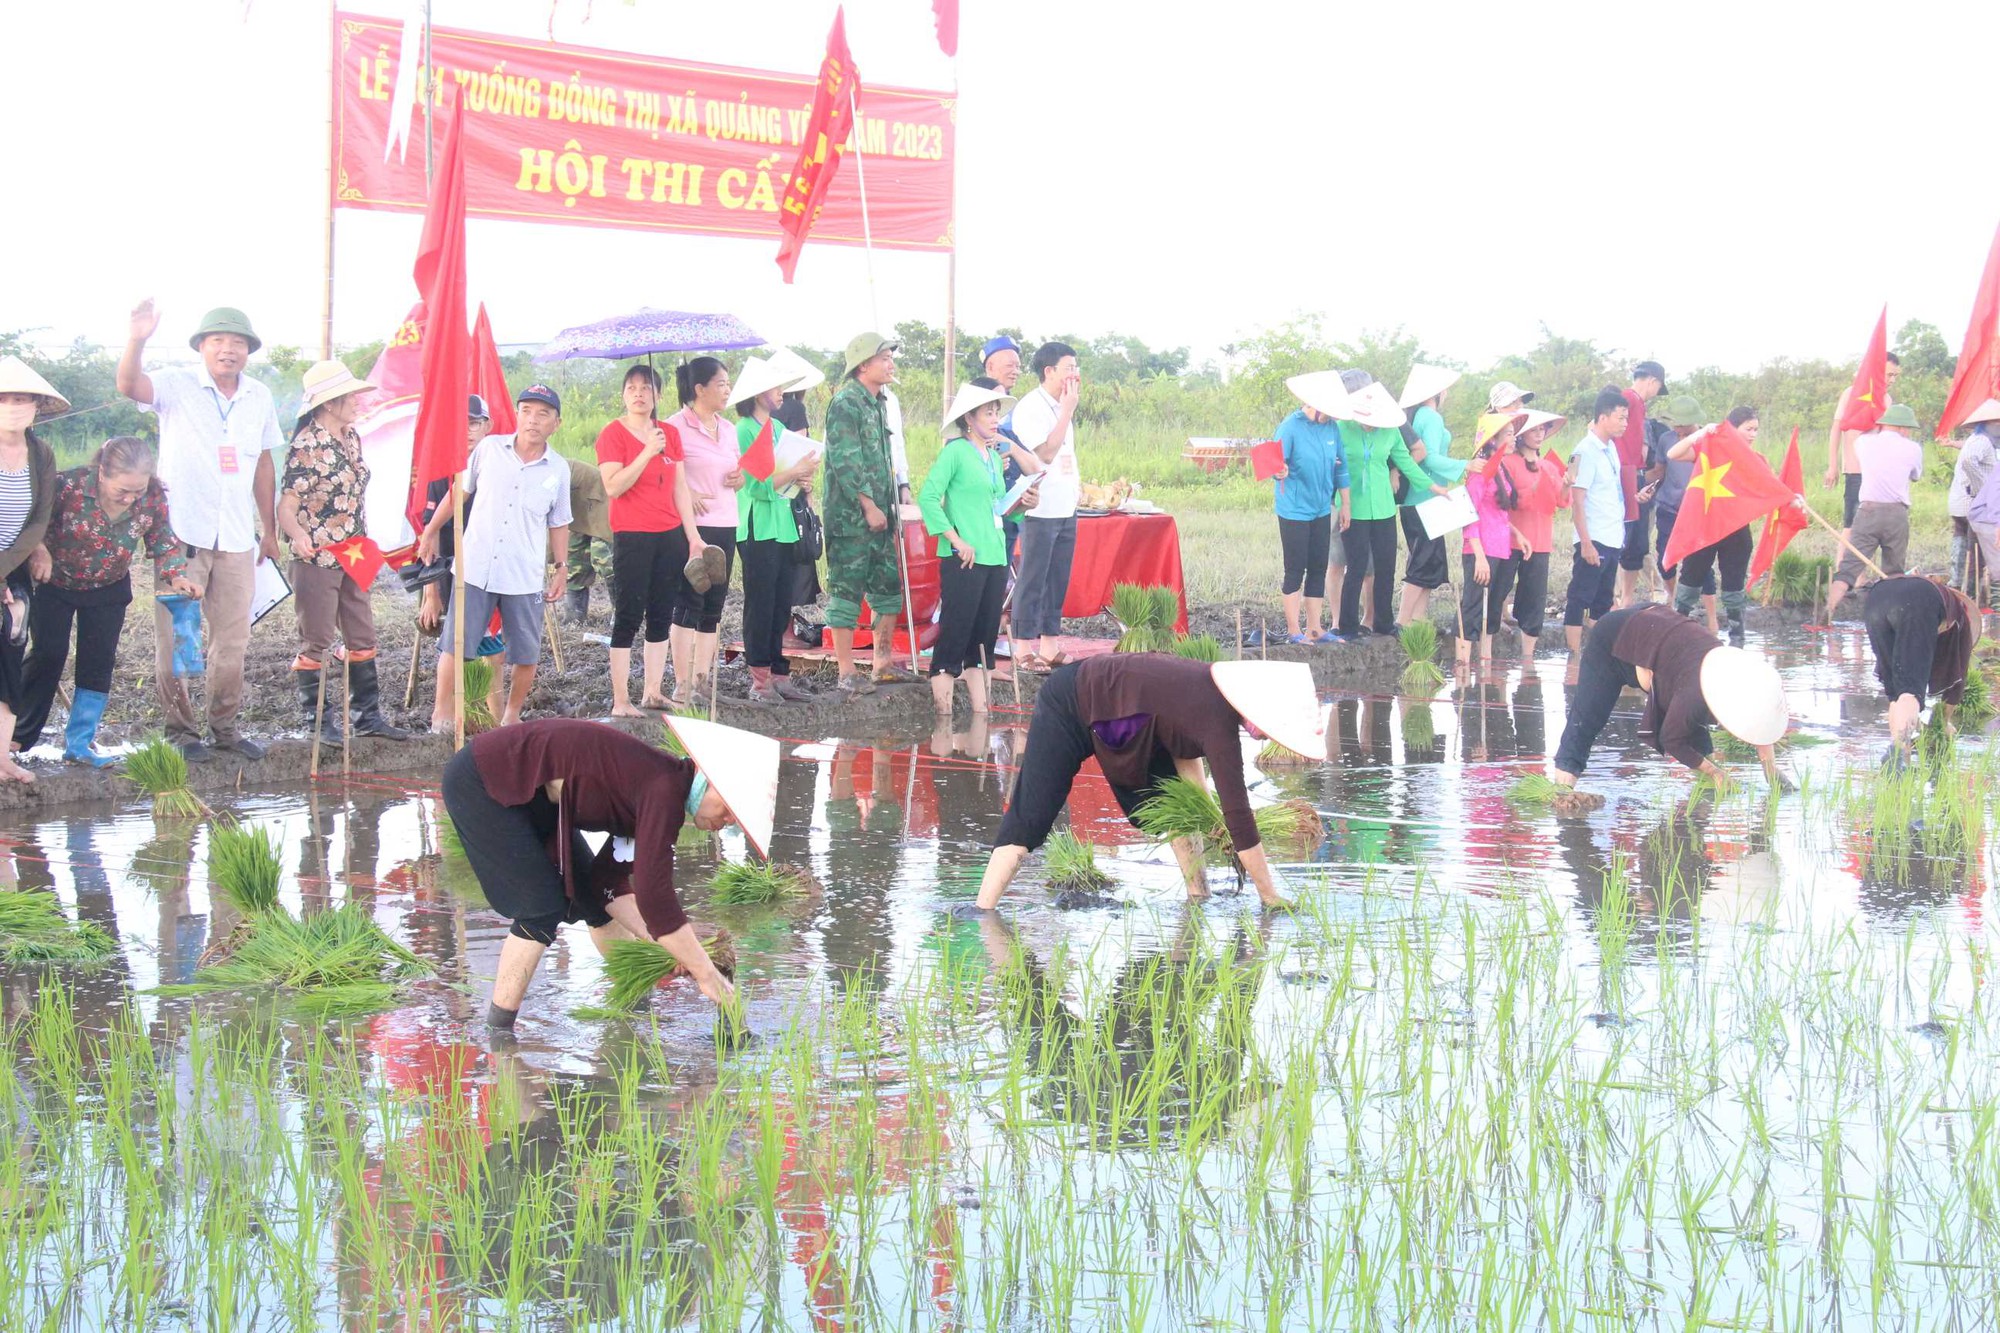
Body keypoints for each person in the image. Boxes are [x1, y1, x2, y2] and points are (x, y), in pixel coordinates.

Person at [442, 715, 775, 1026]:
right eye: (730, 811)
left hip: (537, 799)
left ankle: (636, 1008)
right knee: (540, 908)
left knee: (591, 897)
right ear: (712, 783)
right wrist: (706, 974)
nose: (727, 822)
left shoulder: (661, 786)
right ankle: (500, 1033)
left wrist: (669, 945)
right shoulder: (663, 792)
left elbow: (607, 882)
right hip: (485, 781)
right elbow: (654, 896)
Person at [973, 658, 1322, 911]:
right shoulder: (1219, 723)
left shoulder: (1214, 697)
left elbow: (1186, 760)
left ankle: (1198, 896)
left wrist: (1208, 818)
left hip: (1126, 718)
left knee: (1177, 811)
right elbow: (1241, 819)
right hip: (1071, 701)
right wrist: (1270, 897)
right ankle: (983, 912)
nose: (1266, 736)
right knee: (1031, 819)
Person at [117, 300, 281, 762]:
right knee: (176, 639)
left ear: (248, 350)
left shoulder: (259, 397)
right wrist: (138, 337)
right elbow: (129, 383)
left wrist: (267, 530)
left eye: (237, 343)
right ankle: (180, 732)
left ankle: (225, 728)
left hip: (235, 539)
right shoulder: (176, 384)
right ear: (202, 348)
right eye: (218, 341)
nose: (228, 350)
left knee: (232, 640)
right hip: (180, 539)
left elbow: (263, 462)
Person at [17, 436, 200, 765]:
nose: (131, 499)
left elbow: (162, 538)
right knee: (48, 653)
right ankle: (18, 738)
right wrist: (38, 549)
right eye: (123, 491)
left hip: (109, 587)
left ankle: (79, 745)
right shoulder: (67, 486)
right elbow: (33, 520)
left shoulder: (153, 497)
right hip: (54, 582)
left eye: (138, 491)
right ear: (102, 473)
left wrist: (177, 576)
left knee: (98, 663)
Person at [420, 384, 572, 728]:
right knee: (455, 645)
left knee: (526, 653)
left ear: (556, 423)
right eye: (526, 411)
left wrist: (561, 568)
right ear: (517, 414)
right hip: (476, 567)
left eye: (542, 414)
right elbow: (459, 493)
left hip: (524, 574)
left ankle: (510, 716)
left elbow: (559, 522)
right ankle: (441, 715)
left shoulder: (558, 470)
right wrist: (430, 532)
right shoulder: (489, 449)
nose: (533, 420)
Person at [278, 359, 411, 744]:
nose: (357, 401)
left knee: (363, 633)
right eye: (349, 395)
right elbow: (286, 504)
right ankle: (318, 724)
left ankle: (367, 717)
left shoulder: (351, 436)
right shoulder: (306, 446)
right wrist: (298, 535)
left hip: (355, 551)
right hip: (317, 556)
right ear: (328, 402)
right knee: (316, 638)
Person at [1552, 605, 1788, 793]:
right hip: (1614, 637)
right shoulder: (1697, 692)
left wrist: (1770, 768)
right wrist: (1716, 773)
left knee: (1695, 730)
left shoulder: (1736, 681)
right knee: (1586, 720)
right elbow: (1671, 739)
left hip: (1658, 628)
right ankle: (1560, 793)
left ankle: (1704, 801)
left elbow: (1760, 715)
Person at [920, 379, 1036, 717]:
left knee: (984, 637)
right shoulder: (955, 451)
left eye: (997, 411)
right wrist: (955, 540)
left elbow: (998, 507)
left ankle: (980, 714)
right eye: (988, 412)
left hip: (994, 553)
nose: (995, 418)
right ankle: (942, 715)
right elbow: (929, 497)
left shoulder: (994, 457)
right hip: (964, 557)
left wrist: (1024, 504)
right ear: (969, 418)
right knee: (956, 630)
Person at [594, 364, 698, 716]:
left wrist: (693, 536)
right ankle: (620, 698)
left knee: (661, 612)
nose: (639, 393)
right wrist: (646, 452)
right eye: (632, 388)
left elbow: (680, 487)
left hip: (669, 535)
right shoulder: (613, 434)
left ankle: (653, 690)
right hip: (632, 534)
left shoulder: (669, 432)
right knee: (627, 614)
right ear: (623, 395)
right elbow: (613, 485)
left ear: (657, 395)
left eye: (647, 388)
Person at [823, 333, 910, 695]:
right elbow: (846, 461)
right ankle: (846, 672)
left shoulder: (879, 402)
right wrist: (869, 505)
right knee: (846, 591)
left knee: (888, 587)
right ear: (863, 365)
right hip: (851, 518)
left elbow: (884, 459)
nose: (891, 364)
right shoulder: (846, 403)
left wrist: (894, 500)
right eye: (884, 358)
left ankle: (882, 663)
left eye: (891, 357)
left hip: (882, 512)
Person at [731, 356, 820, 705]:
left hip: (784, 525)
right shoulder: (743, 430)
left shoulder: (778, 430)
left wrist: (804, 477)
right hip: (757, 526)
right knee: (760, 602)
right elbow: (755, 485)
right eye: (775, 387)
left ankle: (780, 675)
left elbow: (788, 478)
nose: (782, 393)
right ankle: (759, 679)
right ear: (756, 393)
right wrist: (794, 470)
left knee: (783, 601)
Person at [0, 359, 70, 780]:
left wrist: (4, 574)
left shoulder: (40, 454)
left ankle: (2, 757)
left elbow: (37, 523)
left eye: (20, 398)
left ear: (36, 406)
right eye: (2, 398)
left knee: (10, 649)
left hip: (12, 565)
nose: (11, 406)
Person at [1335, 382, 1446, 638]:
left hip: (1383, 506)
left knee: (1386, 565)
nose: (1371, 424)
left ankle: (1383, 624)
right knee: (1357, 565)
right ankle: (1348, 627)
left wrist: (1432, 487)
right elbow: (1333, 464)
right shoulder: (1342, 428)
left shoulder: (1390, 431)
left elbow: (1406, 462)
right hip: (1353, 506)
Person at [1010, 341, 1084, 671]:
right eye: (1069, 368)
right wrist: (1067, 410)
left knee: (1058, 578)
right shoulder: (1032, 407)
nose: (1075, 374)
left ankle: (1050, 646)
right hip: (1039, 506)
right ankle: (1023, 647)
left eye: (1076, 368)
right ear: (1049, 371)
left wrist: (1077, 487)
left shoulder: (1061, 405)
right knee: (1033, 577)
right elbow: (1044, 454)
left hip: (1065, 504)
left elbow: (1067, 455)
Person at [1666, 406, 1764, 645]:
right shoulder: (1710, 448)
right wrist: (1699, 434)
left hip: (1736, 530)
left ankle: (1737, 640)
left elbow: (1771, 490)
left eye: (1756, 430)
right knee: (1690, 581)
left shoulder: (1756, 460)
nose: (1753, 435)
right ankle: (1675, 635)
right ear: (1732, 428)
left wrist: (1793, 499)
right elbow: (1673, 453)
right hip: (1704, 529)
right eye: (1748, 429)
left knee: (1734, 587)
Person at [1862, 575, 1981, 761]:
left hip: (1876, 597)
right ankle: (1899, 748)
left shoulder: (1941, 597)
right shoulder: (1961, 619)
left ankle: (1902, 757)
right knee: (1910, 691)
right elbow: (1956, 683)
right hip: (1916, 603)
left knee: (1895, 691)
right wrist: (1943, 722)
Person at [1271, 372, 1351, 643]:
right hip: (1294, 508)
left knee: (1318, 566)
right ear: (1315, 405)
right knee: (1295, 568)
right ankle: (1294, 631)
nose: (1332, 417)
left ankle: (1314, 627)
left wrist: (1345, 504)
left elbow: (1341, 468)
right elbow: (1273, 463)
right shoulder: (1290, 427)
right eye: (1329, 412)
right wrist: (1279, 471)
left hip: (1321, 507)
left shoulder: (1331, 429)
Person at [1824, 402, 1924, 622]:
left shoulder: (1864, 443)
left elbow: (1865, 437)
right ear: (1902, 427)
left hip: (1867, 512)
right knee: (1894, 572)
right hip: (1897, 515)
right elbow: (1916, 475)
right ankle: (1891, 619)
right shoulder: (1914, 448)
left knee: (1848, 569)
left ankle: (1826, 614)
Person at [1396, 364, 1466, 629]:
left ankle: (1418, 620)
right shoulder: (1431, 417)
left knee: (1429, 562)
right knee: (1423, 561)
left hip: (1419, 499)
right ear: (1437, 391)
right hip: (1426, 499)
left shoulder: (1416, 416)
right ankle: (1403, 620)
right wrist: (1464, 466)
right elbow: (1432, 458)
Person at [1562, 388, 1632, 654]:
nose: (1624, 423)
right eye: (1620, 418)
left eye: (1627, 418)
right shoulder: (1584, 450)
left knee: (1602, 600)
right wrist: (1586, 543)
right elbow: (1577, 502)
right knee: (1579, 597)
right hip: (1594, 537)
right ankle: (1574, 657)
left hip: (1612, 535)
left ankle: (1598, 653)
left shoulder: (1610, 448)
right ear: (1603, 417)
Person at [1457, 412, 1527, 668]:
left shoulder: (1500, 468)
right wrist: (1478, 556)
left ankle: (1485, 663)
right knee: (1473, 606)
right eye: (1508, 434)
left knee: (1493, 607)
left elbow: (1497, 511)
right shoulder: (1479, 472)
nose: (1514, 439)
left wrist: (1516, 533)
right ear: (1492, 440)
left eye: (1513, 433)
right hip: (1480, 549)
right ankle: (1463, 666)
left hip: (1501, 548)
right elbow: (1469, 513)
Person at [1502, 409, 1567, 659]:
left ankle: (1528, 658)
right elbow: (1505, 501)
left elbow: (1562, 502)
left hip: (1541, 541)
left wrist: (1568, 483)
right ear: (1521, 434)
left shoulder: (1549, 466)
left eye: (1543, 429)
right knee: (1499, 590)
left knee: (1535, 600)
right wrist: (1533, 489)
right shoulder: (1508, 463)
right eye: (1534, 429)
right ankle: (1487, 654)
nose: (1539, 434)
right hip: (1511, 539)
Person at [1826, 352, 1903, 546]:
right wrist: (1832, 465)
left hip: (1877, 474)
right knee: (1851, 527)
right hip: (1856, 471)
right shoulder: (1853, 394)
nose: (1892, 380)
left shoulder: (1886, 400)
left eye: (1895, 376)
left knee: (1873, 528)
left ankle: (1861, 577)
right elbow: (1837, 428)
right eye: (1889, 374)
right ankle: (1842, 575)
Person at [1648, 396, 1713, 626]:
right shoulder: (1666, 439)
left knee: (1701, 563)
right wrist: (1640, 485)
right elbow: (1659, 471)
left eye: (1681, 424)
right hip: (1669, 508)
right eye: (1674, 423)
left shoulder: (1709, 439)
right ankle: (1675, 601)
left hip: (1698, 511)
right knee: (1665, 557)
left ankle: (1713, 620)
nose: (1677, 428)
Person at [1616, 361, 1668, 607]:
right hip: (1624, 472)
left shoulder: (1639, 404)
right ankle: (1620, 598)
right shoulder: (1628, 398)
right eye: (1658, 387)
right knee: (1628, 537)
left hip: (1634, 473)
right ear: (1652, 381)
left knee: (1637, 541)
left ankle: (1626, 598)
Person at [1946, 401, 1998, 594]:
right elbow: (1969, 461)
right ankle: (1972, 590)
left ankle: (1957, 582)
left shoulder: (1976, 440)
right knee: (1977, 549)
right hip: (1973, 503)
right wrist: (1984, 490)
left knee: (1961, 540)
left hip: (1960, 502)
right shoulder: (1983, 442)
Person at [1962, 399, 2000, 599]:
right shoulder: (1982, 441)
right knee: (1998, 569)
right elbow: (1995, 494)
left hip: (1987, 511)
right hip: (1988, 516)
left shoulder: (1988, 445)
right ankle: (1996, 615)